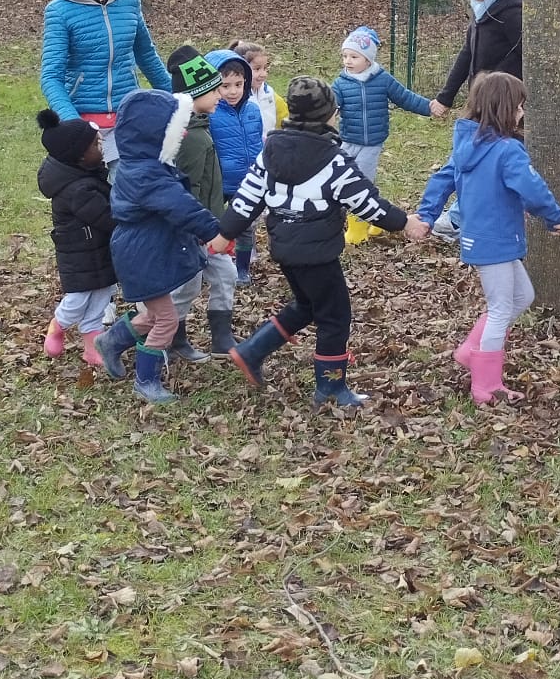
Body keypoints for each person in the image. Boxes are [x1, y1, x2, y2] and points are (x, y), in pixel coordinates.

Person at [221, 76, 410, 408]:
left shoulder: (270, 152)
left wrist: (225, 233)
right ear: (329, 114)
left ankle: (252, 351)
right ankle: (331, 388)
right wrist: (405, 223)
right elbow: (367, 203)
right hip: (317, 253)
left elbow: (247, 198)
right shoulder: (333, 162)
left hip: (285, 249)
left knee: (308, 305)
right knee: (335, 316)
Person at [407, 72, 560, 405]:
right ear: (504, 108)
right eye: (520, 106)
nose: (522, 113)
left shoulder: (469, 144)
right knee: (499, 309)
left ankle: (470, 351)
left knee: (523, 295)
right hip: (494, 239)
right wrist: (556, 218)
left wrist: (427, 213)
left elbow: (441, 179)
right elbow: (533, 190)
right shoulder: (508, 150)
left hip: (487, 237)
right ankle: (486, 385)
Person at [94, 88, 231, 404]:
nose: (182, 132)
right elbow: (181, 206)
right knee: (166, 320)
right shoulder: (147, 174)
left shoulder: (143, 165)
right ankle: (146, 380)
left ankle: (111, 342)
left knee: (155, 316)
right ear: (155, 135)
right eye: (175, 127)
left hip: (142, 251)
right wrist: (214, 231)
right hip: (142, 255)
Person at [39, 0, 171, 162]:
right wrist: (74, 124)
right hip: (86, 118)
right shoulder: (59, 11)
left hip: (128, 112)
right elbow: (51, 77)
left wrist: (177, 97)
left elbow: (146, 54)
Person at [159, 47, 235, 363]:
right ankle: (168, 339)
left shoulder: (201, 127)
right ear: (195, 95)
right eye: (215, 89)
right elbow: (185, 190)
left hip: (210, 226)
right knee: (185, 289)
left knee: (226, 275)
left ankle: (222, 338)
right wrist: (200, 228)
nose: (221, 95)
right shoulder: (189, 138)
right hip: (194, 231)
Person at [333, 25, 434, 243]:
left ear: (368, 59)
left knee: (362, 181)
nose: (348, 61)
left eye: (354, 56)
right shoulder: (341, 83)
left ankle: (358, 228)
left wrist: (429, 107)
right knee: (342, 178)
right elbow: (330, 105)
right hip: (348, 139)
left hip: (372, 143)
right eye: (345, 56)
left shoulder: (382, 79)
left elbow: (405, 97)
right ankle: (372, 220)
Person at [35, 110, 114, 384]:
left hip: (100, 252)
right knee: (78, 300)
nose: (100, 147)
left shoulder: (88, 174)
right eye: (95, 145)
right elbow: (107, 218)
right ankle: (58, 326)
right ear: (79, 155)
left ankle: (92, 347)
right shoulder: (77, 189)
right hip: (79, 256)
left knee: (103, 295)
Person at [205, 48, 264, 316]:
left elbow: (256, 143)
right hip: (219, 182)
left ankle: (242, 268)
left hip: (247, 181)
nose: (232, 91)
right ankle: (216, 265)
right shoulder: (211, 113)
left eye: (238, 84)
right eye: (225, 85)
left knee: (246, 227)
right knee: (218, 225)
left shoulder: (253, 111)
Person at [431, 0, 522, 115]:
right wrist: (445, 98)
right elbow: (467, 53)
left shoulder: (512, 12)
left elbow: (527, 57)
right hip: (482, 98)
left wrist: (499, 86)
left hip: (505, 103)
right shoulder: (481, 8)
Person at [230, 39, 285, 134]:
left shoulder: (269, 92)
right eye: (257, 69)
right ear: (242, 69)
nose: (263, 74)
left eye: (265, 68)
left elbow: (284, 117)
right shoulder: (235, 97)